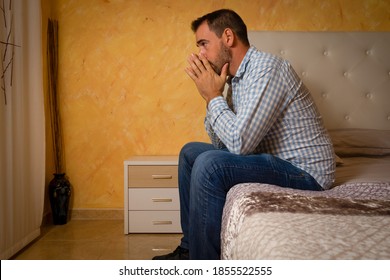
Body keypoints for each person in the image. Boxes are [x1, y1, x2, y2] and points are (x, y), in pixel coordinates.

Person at [153, 9, 335, 260]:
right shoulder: (235, 80)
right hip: (271, 158)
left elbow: (239, 144)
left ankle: (203, 264)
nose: (200, 54)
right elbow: (222, 143)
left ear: (228, 37)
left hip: (306, 172)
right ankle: (188, 249)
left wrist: (213, 97)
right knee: (191, 153)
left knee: (210, 164)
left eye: (203, 44)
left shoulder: (267, 70)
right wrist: (212, 97)